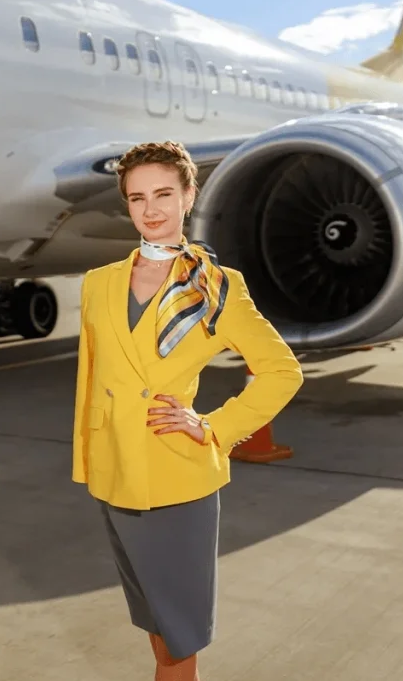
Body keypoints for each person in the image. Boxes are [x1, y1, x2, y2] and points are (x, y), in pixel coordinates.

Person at [71, 141, 304, 680]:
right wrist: (87, 461)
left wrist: (215, 426)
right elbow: (91, 381)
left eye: (163, 194)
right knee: (154, 623)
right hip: (115, 473)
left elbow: (282, 370)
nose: (150, 210)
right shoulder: (99, 282)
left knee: (179, 634)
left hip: (175, 475)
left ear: (188, 195)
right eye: (136, 198)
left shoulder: (217, 287)